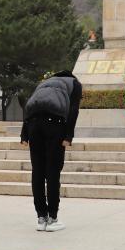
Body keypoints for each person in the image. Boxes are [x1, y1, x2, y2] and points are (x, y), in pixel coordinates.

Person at [20, 70, 82, 232]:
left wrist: (24, 135)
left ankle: (41, 218)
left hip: (33, 124)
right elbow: (73, 109)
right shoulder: (74, 84)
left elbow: (31, 106)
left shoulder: (44, 83)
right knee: (53, 171)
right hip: (55, 124)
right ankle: (53, 218)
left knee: (38, 172)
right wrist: (69, 136)